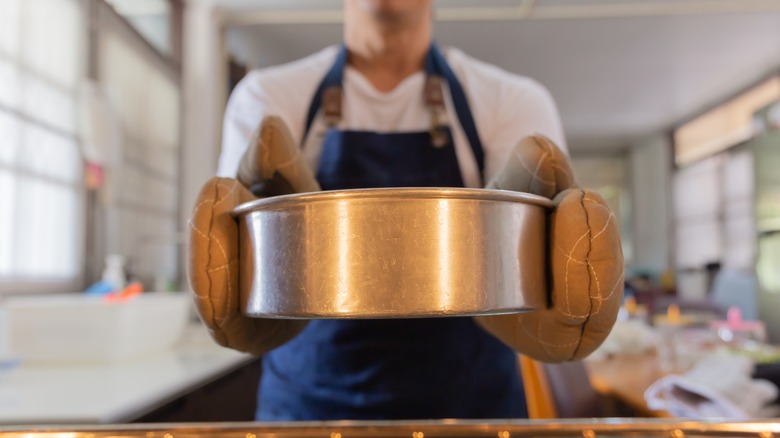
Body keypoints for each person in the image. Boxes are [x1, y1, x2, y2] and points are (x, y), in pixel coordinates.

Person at [188, 0, 623, 421]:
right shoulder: (266, 97)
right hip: (306, 415)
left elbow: (535, 265)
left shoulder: (512, 101)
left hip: (473, 415)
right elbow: (243, 263)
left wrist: (535, 287)